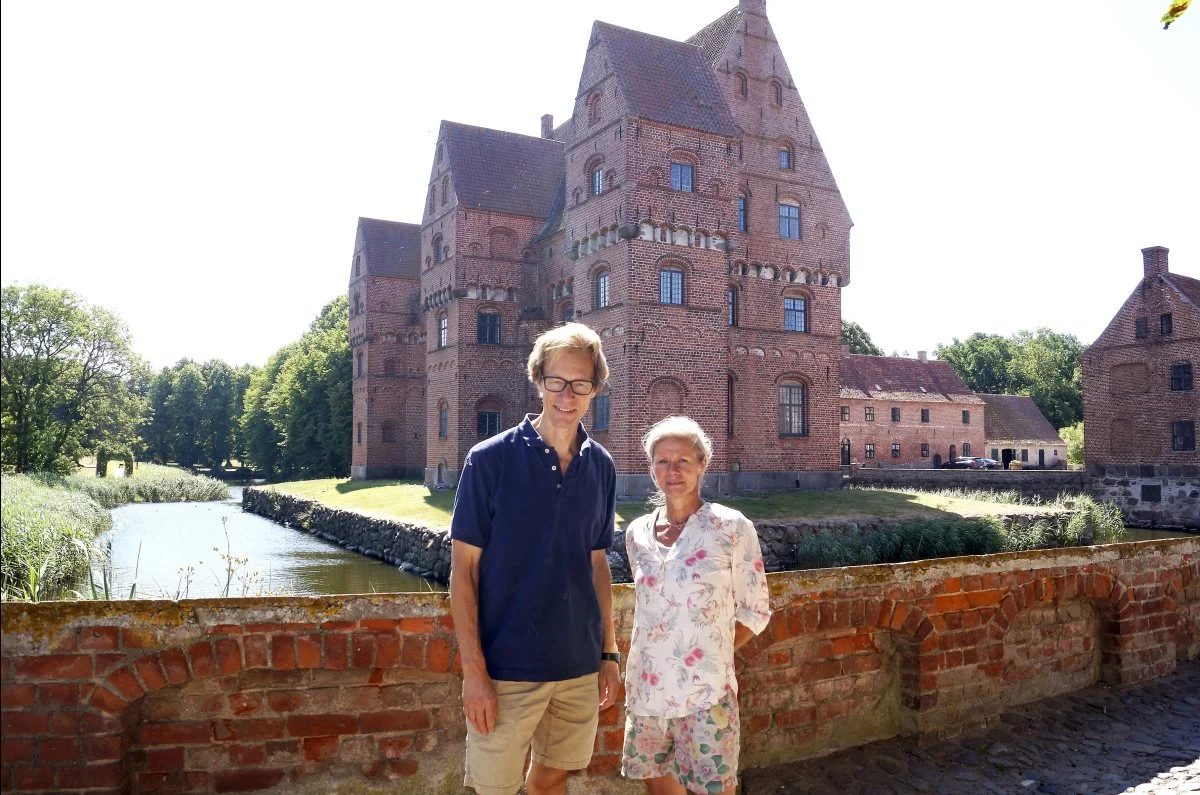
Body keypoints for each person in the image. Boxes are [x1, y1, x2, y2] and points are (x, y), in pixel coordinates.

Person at [449, 322, 622, 795]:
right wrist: (474, 672)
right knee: (493, 789)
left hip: (578, 665)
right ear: (538, 380)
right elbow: (463, 573)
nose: (567, 394)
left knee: (550, 781)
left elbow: (597, 565)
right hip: (506, 668)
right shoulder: (488, 460)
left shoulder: (601, 466)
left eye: (580, 384)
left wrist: (608, 653)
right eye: (556, 381)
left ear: (595, 388)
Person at [622, 416, 772, 795]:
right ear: (651, 467)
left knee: (714, 789)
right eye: (662, 461)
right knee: (659, 787)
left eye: (683, 460)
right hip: (648, 689)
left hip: (707, 693)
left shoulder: (731, 527)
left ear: (703, 464)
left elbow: (756, 611)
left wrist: (711, 653)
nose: (672, 470)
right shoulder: (637, 532)